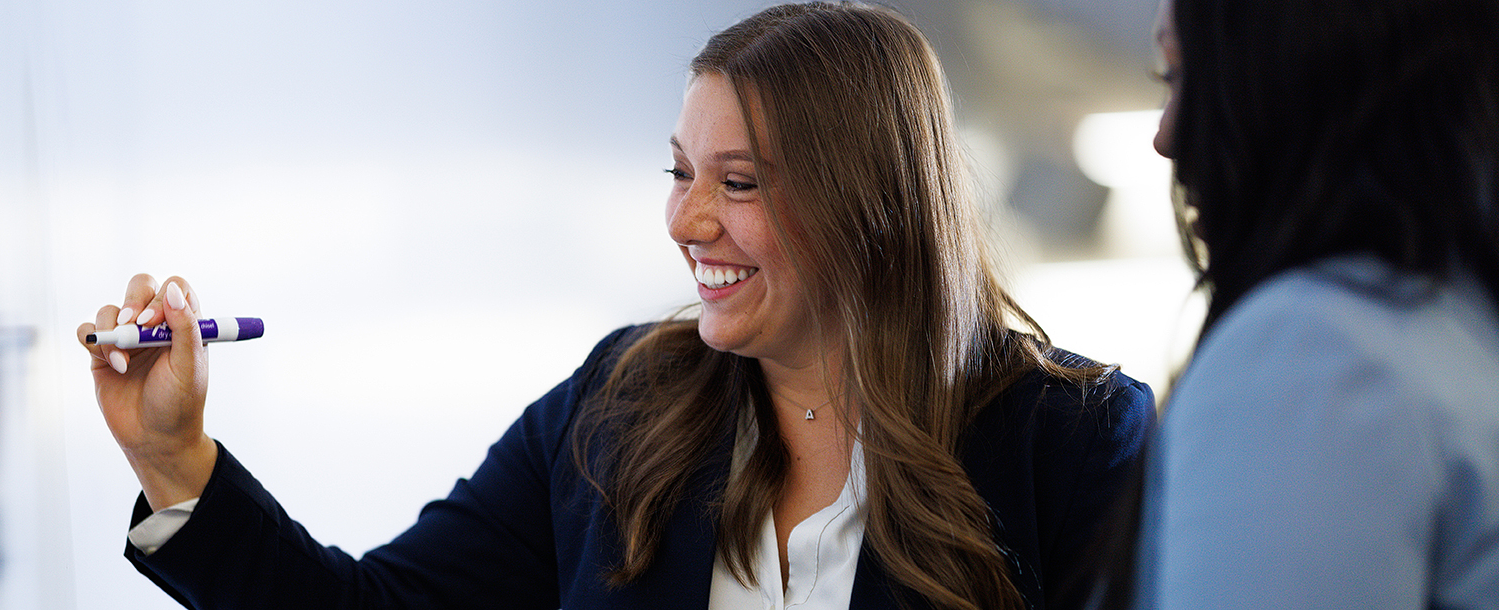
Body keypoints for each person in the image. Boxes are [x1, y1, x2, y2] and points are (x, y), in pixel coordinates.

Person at [78, 3, 1153, 609]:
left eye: (738, 183)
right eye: (679, 172)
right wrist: (173, 458)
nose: (687, 220)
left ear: (873, 202)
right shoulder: (621, 404)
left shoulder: (1070, 438)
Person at [1137, 0, 1499, 607]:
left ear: (1294, 69)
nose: (1165, 137)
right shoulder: (1456, 323)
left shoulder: (1312, 353)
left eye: (1179, 74)